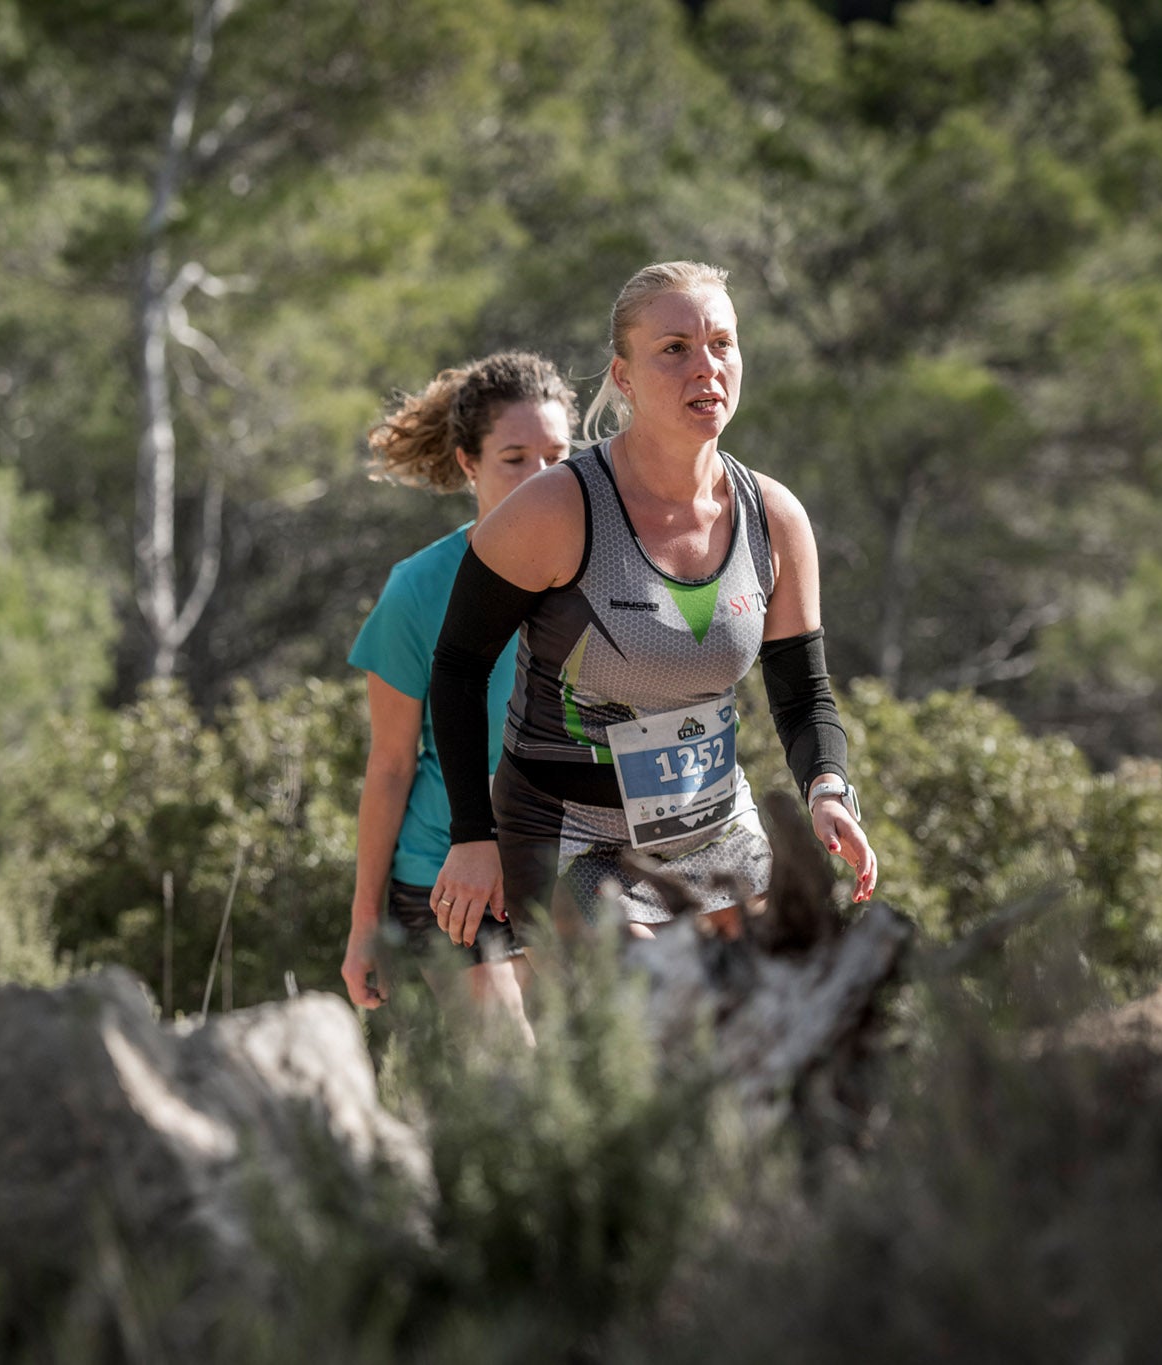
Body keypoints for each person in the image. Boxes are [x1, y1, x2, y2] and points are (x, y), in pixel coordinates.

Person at [427, 262, 879, 951]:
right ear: (625, 376)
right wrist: (470, 836)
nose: (706, 367)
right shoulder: (556, 509)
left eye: (722, 344)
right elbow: (459, 665)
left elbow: (803, 691)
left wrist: (827, 787)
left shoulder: (774, 517)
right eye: (675, 349)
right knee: (650, 997)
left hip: (717, 825)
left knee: (782, 983)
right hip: (572, 835)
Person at [339, 352, 575, 1039]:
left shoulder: (603, 573)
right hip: (450, 875)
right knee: (511, 1072)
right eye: (514, 457)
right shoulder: (417, 590)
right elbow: (389, 766)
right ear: (468, 463)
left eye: (557, 455)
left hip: (570, 872)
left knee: (585, 1072)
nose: (541, 477)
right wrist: (363, 927)